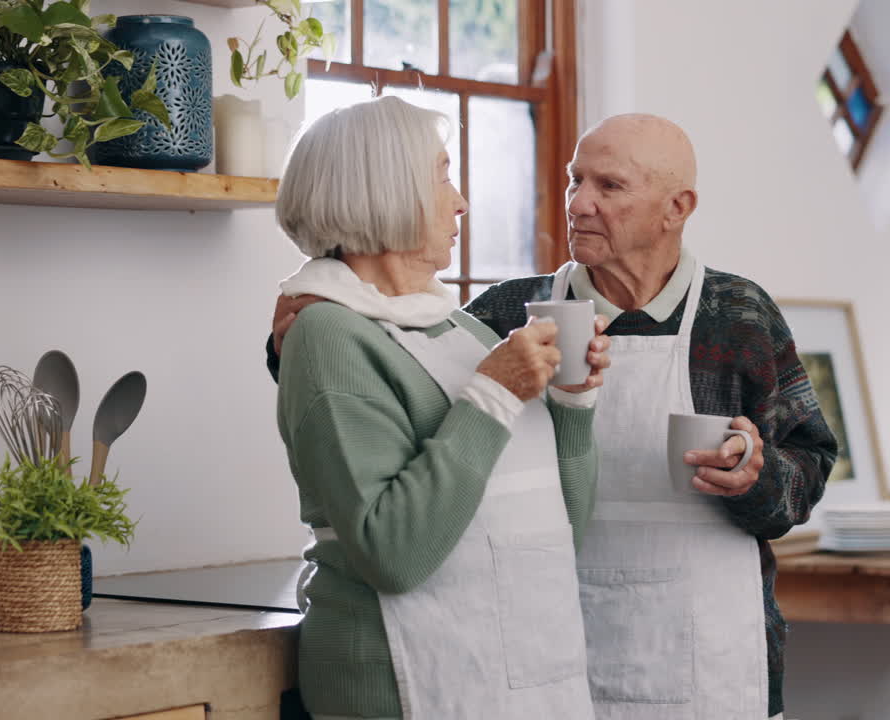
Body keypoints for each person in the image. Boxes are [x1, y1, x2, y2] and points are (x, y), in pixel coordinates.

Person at [269, 112, 835, 719]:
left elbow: (809, 464)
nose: (579, 203)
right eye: (574, 180)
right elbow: (382, 383)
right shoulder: (503, 313)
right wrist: (289, 342)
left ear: (677, 208)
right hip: (547, 652)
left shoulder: (740, 317)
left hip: (708, 660)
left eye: (608, 186)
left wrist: (756, 477)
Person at [273, 96, 611, 720]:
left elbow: (564, 529)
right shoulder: (326, 335)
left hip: (527, 680)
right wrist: (495, 393)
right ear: (384, 189)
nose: (461, 203)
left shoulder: (462, 331)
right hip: (404, 688)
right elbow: (392, 554)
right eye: (442, 176)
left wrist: (572, 401)